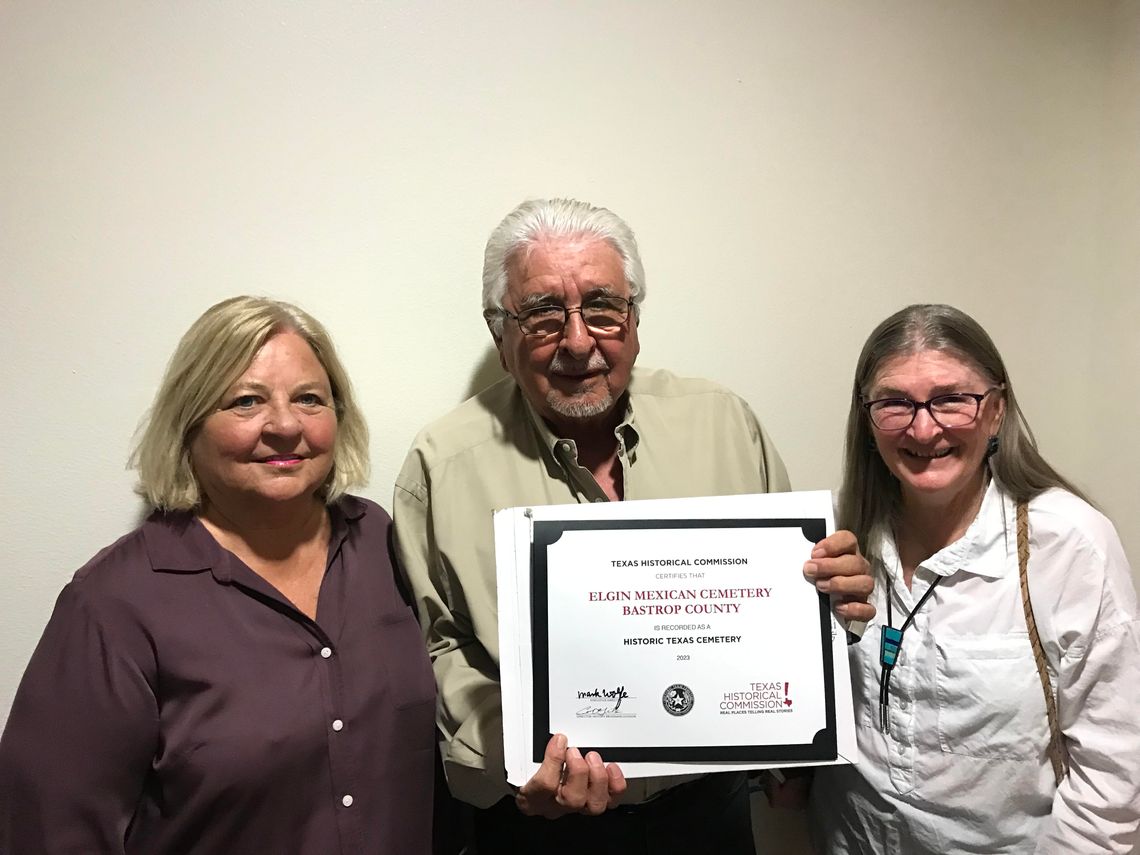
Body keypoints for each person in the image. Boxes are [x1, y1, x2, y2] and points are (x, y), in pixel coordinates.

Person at [393, 197, 875, 855]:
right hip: (539, 829)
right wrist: (520, 755)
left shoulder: (723, 423)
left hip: (709, 816)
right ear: (498, 334)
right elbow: (440, 648)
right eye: (540, 314)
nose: (577, 341)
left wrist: (832, 598)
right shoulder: (441, 466)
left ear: (635, 321)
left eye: (602, 307)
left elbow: (792, 598)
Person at [0, 297, 436, 854]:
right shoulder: (114, 605)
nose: (283, 425)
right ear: (190, 423)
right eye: (246, 401)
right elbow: (50, 833)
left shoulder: (383, 544)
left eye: (309, 399)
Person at [810, 304, 1140, 854]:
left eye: (951, 399)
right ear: (867, 418)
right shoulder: (839, 536)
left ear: (997, 410)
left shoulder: (1068, 544)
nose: (923, 427)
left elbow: (1113, 769)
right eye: (895, 403)